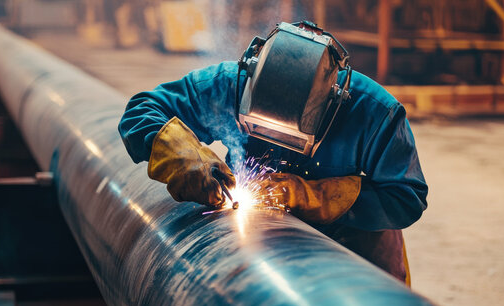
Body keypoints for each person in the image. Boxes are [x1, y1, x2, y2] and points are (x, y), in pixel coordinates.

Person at [118, 21, 428, 285]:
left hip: (354, 243)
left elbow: (406, 197)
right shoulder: (231, 85)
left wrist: (311, 194)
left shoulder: (373, 112)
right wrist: (184, 156)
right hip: (259, 236)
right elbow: (141, 111)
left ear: (332, 103)